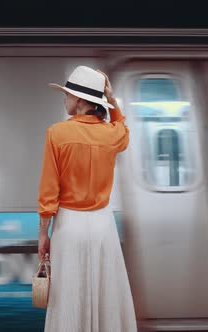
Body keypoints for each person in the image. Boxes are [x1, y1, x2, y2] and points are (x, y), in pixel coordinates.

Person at [37, 66, 137, 331]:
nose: (64, 98)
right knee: (105, 298)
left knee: (68, 299)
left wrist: (43, 234)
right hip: (103, 227)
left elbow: (49, 190)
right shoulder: (112, 134)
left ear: (81, 101)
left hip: (69, 226)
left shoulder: (56, 133)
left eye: (68, 94)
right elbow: (123, 128)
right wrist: (113, 101)